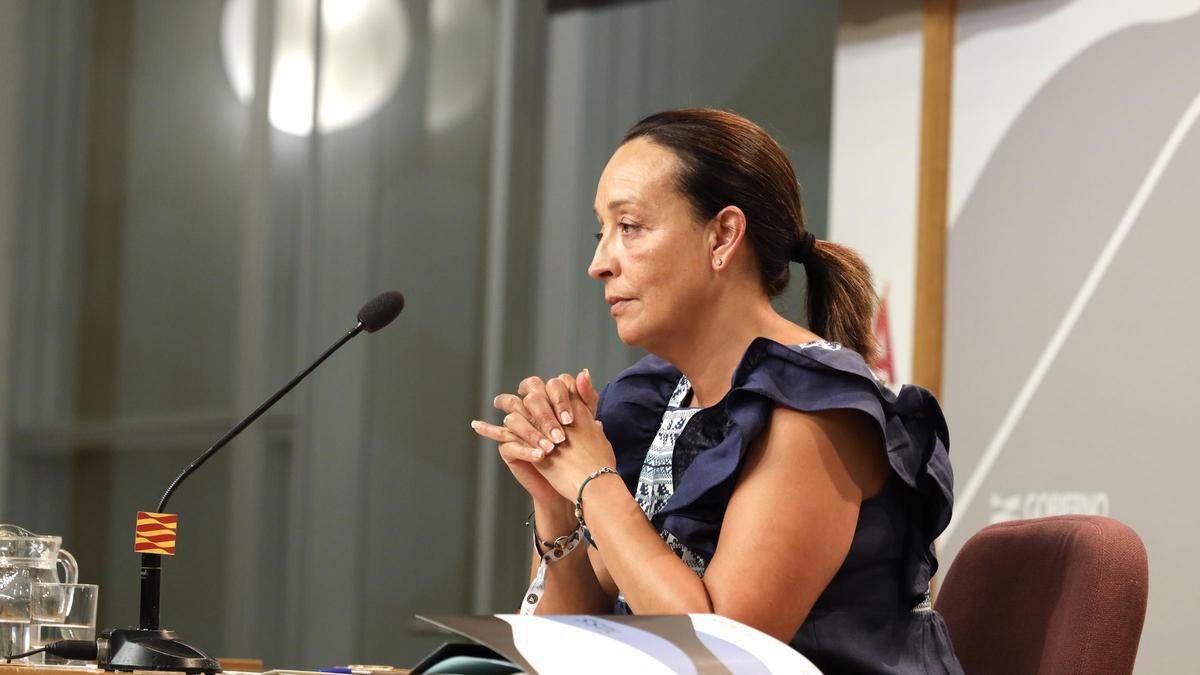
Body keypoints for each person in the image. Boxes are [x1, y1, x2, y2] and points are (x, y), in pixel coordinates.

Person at [471, 108, 962, 673]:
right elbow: (569, 642)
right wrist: (557, 505)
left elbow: (721, 658)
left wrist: (593, 482)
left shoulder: (813, 407)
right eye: (601, 232)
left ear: (723, 235)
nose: (599, 263)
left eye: (629, 227)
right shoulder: (653, 400)